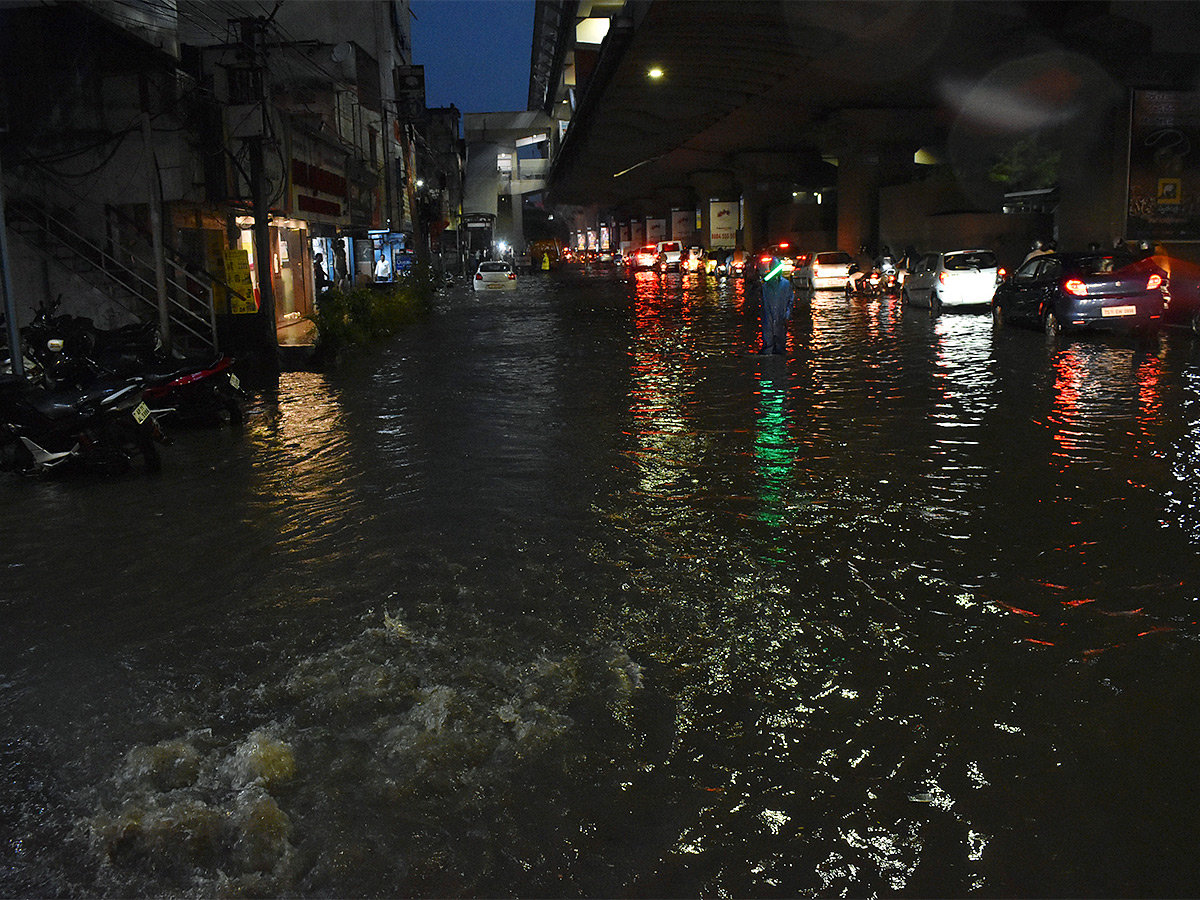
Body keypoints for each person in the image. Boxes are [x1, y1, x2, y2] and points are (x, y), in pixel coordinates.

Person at [758, 251, 794, 355]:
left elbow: (790, 301)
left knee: (780, 348)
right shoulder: (764, 285)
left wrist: (786, 316)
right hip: (768, 320)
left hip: (780, 320)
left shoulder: (785, 285)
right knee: (768, 347)